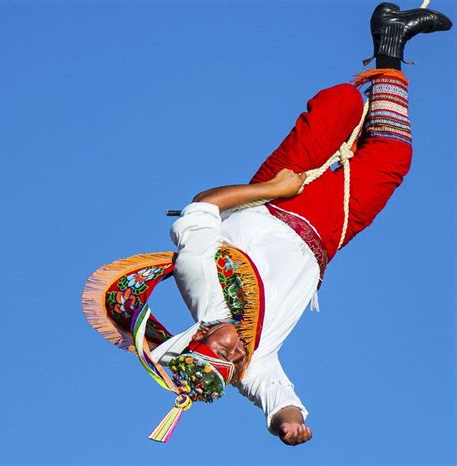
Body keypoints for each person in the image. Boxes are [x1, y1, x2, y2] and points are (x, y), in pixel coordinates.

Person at [82, 2, 452, 446]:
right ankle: (391, 42)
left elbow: (201, 207)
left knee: (342, 103)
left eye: (223, 350)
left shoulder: (197, 279)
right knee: (393, 156)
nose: (236, 352)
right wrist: (287, 423)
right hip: (324, 233)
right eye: (233, 361)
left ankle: (374, 78)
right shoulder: (251, 362)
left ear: (199, 336)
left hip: (274, 200)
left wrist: (274, 190)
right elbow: (277, 397)